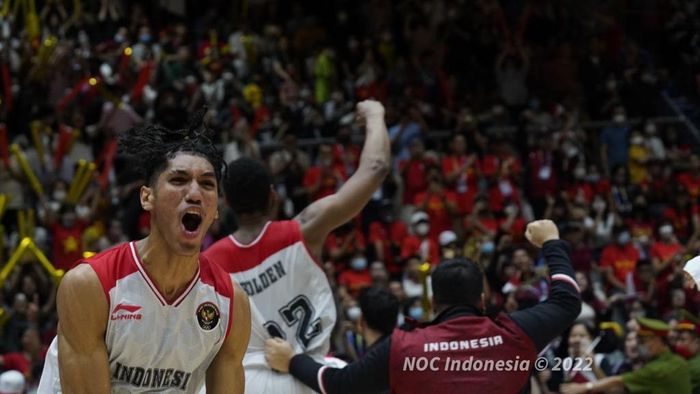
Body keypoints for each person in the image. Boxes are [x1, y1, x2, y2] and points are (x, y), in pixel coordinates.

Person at [38, 118, 251, 393]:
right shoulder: (90, 286)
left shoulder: (231, 302)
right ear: (146, 198)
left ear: (216, 210)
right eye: (179, 180)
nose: (195, 193)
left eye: (207, 185)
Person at [265, 219, 582, 393]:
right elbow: (567, 301)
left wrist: (292, 360)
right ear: (482, 300)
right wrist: (552, 240)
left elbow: (338, 386)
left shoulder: (404, 346)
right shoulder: (516, 332)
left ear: (434, 305)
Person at [203, 99, 390, 393]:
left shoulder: (206, 265)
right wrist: (375, 114)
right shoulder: (304, 231)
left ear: (226, 204)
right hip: (307, 375)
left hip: (243, 383)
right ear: (273, 196)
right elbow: (376, 167)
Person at [561, 317, 691, 394]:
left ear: (656, 341)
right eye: (573, 336)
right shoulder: (679, 362)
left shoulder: (657, 369)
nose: (638, 346)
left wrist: (585, 386)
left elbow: (616, 385)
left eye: (642, 342)